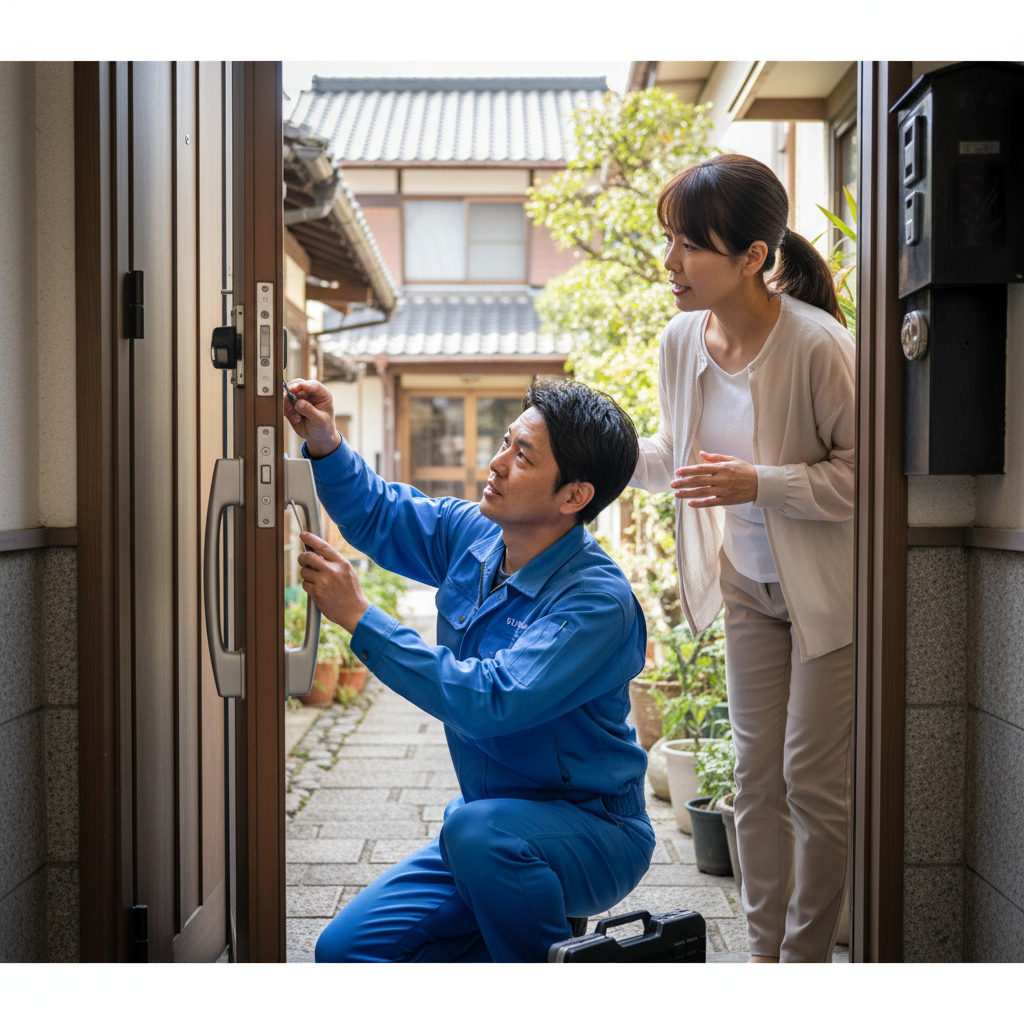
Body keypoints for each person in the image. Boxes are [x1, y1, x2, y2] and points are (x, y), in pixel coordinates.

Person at [283, 375, 655, 963]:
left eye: (522, 456)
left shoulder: (595, 602)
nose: (497, 462)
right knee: (344, 952)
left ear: (573, 497)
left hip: (592, 833)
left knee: (480, 835)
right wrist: (325, 443)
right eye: (506, 442)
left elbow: (490, 701)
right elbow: (381, 513)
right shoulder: (479, 535)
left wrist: (360, 617)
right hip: (488, 830)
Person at [630, 153, 855, 963]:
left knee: (813, 786)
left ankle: (805, 962)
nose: (671, 263)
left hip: (829, 600)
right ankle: (765, 961)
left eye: (689, 245)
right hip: (748, 591)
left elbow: (863, 481)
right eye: (669, 241)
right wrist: (595, 451)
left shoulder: (821, 345)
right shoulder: (682, 337)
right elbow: (671, 457)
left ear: (753, 256)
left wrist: (757, 483)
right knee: (755, 783)